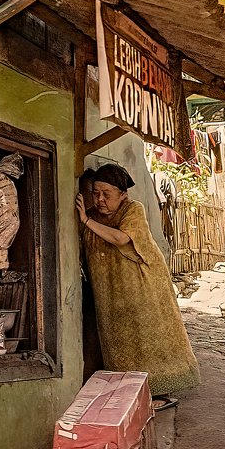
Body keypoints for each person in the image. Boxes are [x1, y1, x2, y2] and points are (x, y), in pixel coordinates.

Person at [77, 163, 200, 395]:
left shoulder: (132, 209)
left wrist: (86, 221)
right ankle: (128, 394)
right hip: (111, 293)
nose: (100, 199)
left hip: (143, 285)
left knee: (149, 336)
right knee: (120, 342)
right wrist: (87, 219)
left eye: (107, 194)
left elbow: (121, 239)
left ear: (122, 195)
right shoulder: (92, 216)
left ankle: (159, 387)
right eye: (95, 193)